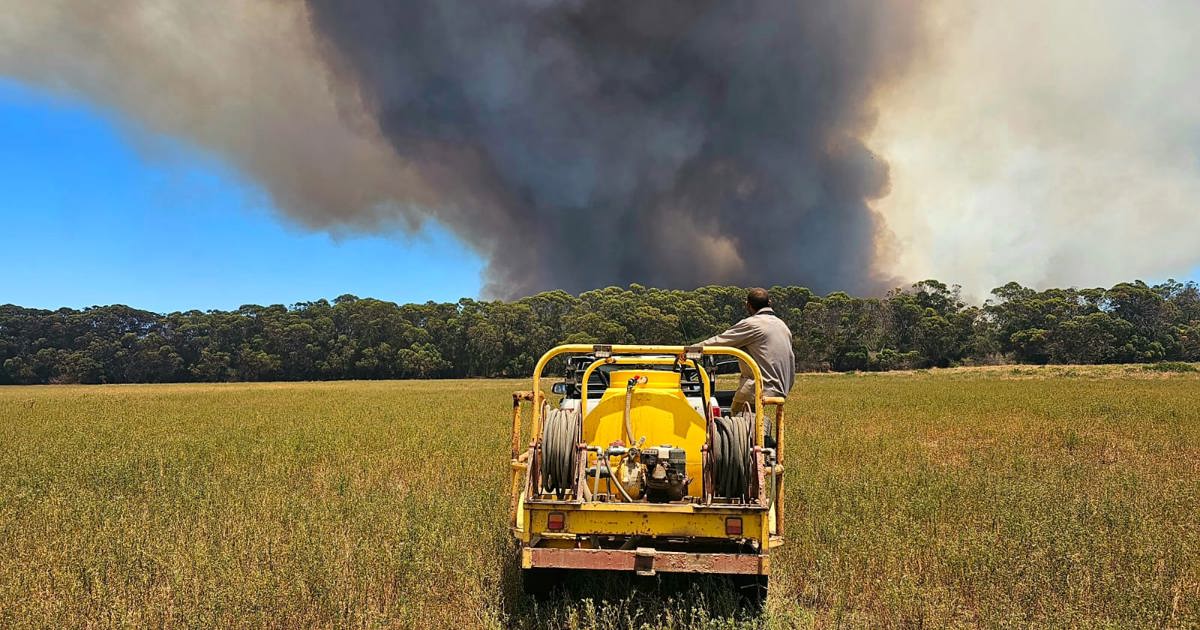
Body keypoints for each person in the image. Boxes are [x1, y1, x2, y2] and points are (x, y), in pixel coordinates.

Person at [698, 287, 795, 414]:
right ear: (769, 303)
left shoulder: (752, 324)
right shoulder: (782, 325)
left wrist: (688, 350)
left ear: (747, 305)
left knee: (735, 424)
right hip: (782, 389)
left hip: (758, 388)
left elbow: (718, 341)